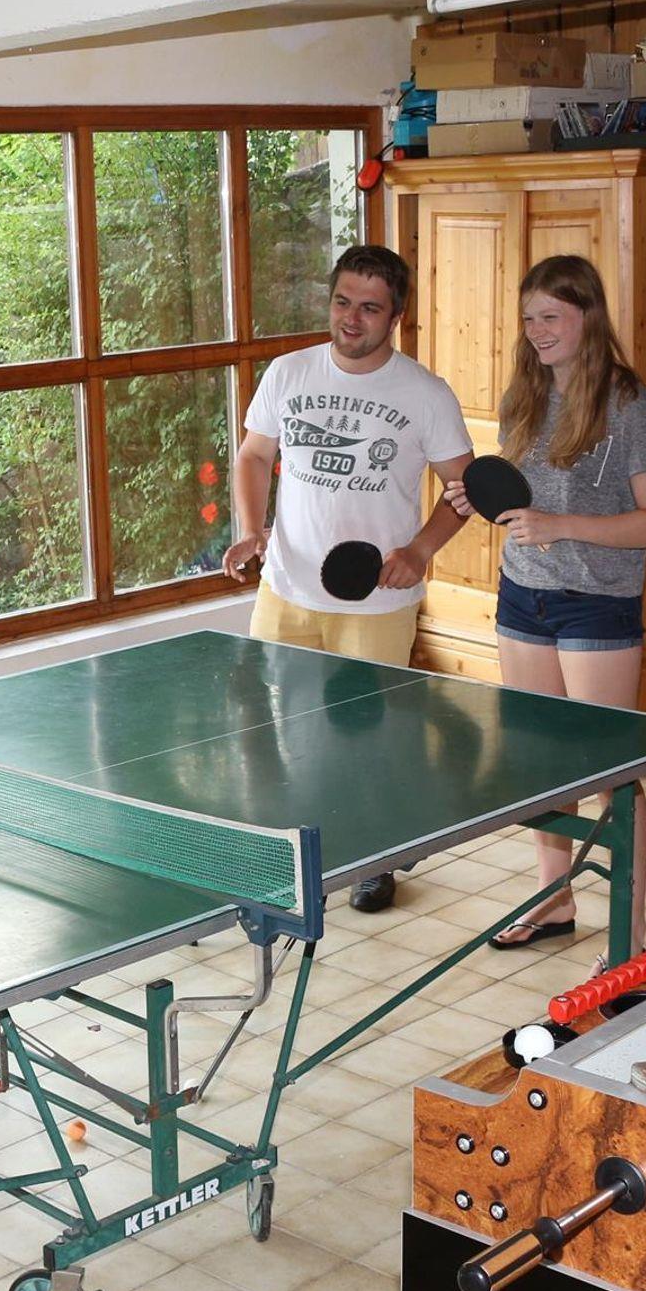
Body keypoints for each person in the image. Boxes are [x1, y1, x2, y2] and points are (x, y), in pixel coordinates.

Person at [223, 244, 473, 912]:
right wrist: (252, 528)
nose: (351, 318)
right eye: (342, 302)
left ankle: (377, 855)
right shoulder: (288, 373)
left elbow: (465, 489)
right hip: (287, 589)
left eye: (369, 307)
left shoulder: (425, 394)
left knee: (371, 740)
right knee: (274, 733)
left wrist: (420, 550)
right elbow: (254, 455)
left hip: (377, 602)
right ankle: (284, 850)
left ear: (396, 316)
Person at [444, 255, 646, 961]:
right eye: (528, 318)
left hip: (596, 603)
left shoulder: (632, 407)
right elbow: (521, 499)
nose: (537, 331)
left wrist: (562, 525)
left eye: (551, 316)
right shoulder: (525, 393)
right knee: (542, 765)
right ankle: (553, 902)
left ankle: (630, 932)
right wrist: (476, 499)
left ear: (588, 316)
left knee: (610, 773)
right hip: (523, 593)